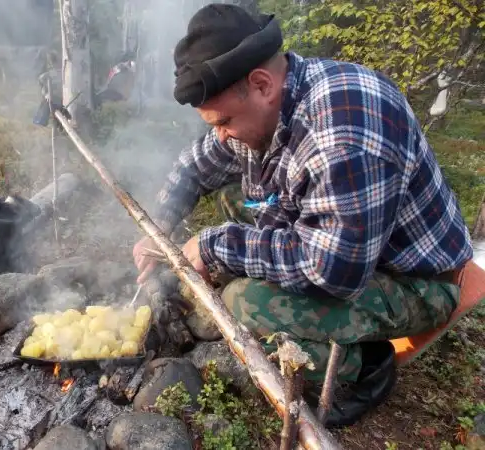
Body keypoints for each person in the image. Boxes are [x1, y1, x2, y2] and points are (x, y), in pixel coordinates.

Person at [132, 3, 474, 427]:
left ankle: (365, 365)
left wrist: (214, 245)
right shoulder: (274, 100)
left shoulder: (343, 139)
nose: (220, 134)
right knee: (235, 197)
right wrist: (159, 226)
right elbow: (195, 166)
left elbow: (331, 270)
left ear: (261, 84)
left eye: (223, 121)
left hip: (410, 279)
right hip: (340, 240)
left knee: (242, 300)